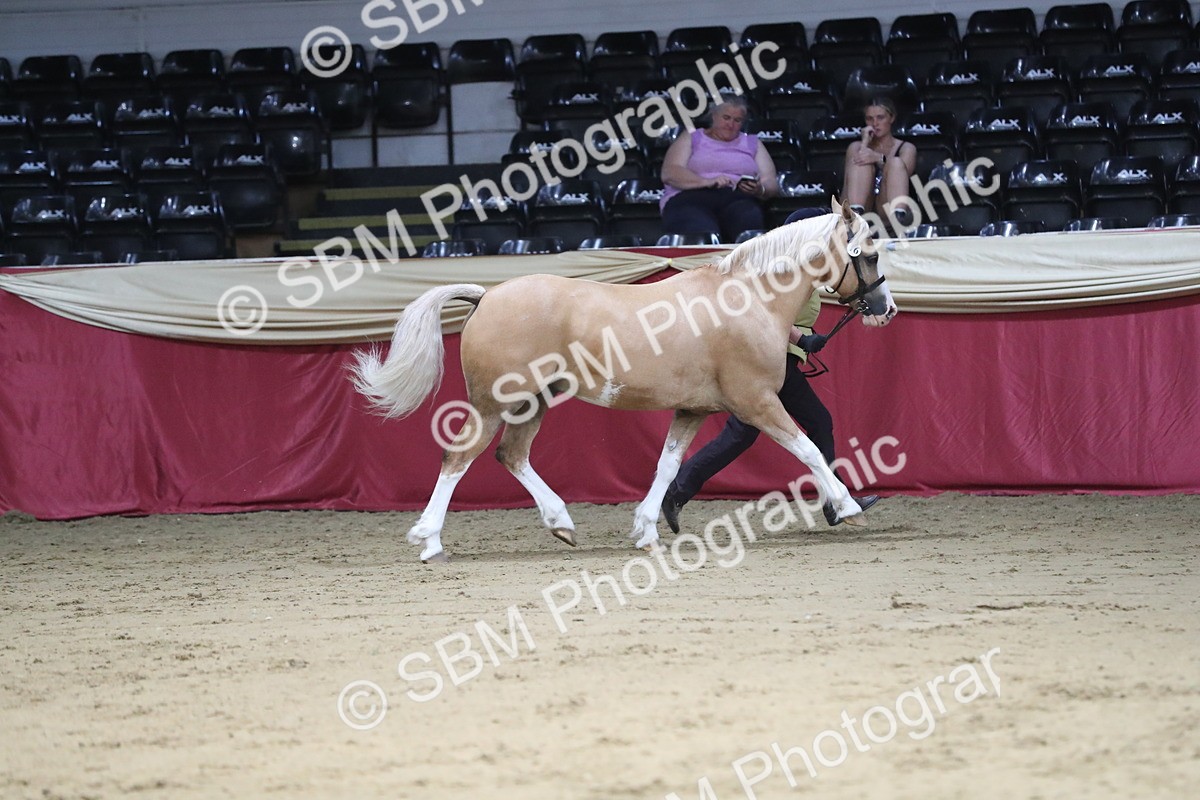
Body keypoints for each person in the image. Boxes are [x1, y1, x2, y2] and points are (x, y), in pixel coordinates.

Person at [660, 207, 898, 533]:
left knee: (750, 433)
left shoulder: (808, 271)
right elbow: (762, 311)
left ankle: (679, 490)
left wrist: (872, 304)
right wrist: (803, 338)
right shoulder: (780, 272)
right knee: (787, 426)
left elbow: (849, 286)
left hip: (779, 359)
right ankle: (835, 501)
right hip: (767, 360)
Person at [659, 93, 779, 242]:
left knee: (748, 226)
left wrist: (760, 189)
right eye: (726, 118)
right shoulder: (693, 137)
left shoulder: (752, 143)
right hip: (691, 198)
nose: (731, 125)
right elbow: (670, 172)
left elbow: (770, 181)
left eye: (737, 120)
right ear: (714, 116)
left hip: (737, 198)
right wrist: (706, 181)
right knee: (702, 234)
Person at [841, 97, 917, 217]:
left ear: (891, 118)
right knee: (861, 160)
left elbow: (902, 175)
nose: (875, 123)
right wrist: (865, 143)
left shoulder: (906, 148)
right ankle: (853, 219)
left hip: (886, 204)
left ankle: (898, 218)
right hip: (863, 205)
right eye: (869, 119)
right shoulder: (855, 147)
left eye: (880, 118)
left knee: (896, 163)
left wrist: (879, 158)